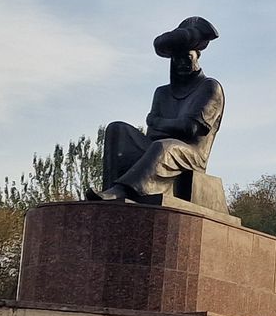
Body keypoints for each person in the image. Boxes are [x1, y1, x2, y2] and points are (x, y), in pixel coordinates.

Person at [88, 17, 225, 204]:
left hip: (191, 155)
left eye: (187, 58)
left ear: (197, 56)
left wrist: (158, 122)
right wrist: (162, 125)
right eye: (177, 59)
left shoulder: (209, 87)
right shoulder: (162, 92)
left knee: (163, 146)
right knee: (116, 129)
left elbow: (191, 129)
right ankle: (111, 190)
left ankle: (124, 190)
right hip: (158, 148)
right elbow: (152, 132)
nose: (181, 63)